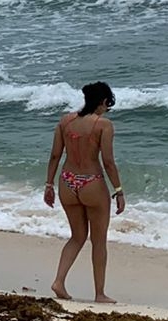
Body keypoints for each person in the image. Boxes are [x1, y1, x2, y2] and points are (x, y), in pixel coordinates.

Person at [45, 81, 126, 303]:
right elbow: (108, 162)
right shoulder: (104, 125)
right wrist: (118, 190)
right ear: (103, 101)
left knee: (77, 236)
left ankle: (59, 281)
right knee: (98, 241)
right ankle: (99, 293)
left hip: (67, 182)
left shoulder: (65, 121)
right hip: (92, 182)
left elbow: (54, 156)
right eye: (108, 104)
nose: (107, 108)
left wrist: (49, 185)